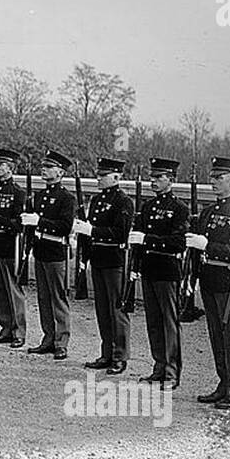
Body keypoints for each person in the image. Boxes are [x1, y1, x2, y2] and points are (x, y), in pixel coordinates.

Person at [191, 155, 230, 409]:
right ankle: (223, 383)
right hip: (210, 278)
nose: (213, 181)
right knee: (216, 336)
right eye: (213, 177)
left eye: (219, 177)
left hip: (229, 281)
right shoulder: (208, 212)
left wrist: (209, 245)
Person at [135, 157, 191, 388]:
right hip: (150, 268)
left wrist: (149, 239)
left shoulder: (179, 209)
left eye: (159, 177)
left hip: (167, 270)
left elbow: (179, 242)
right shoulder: (148, 207)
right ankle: (158, 366)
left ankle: (171, 372)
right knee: (154, 322)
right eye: (152, 177)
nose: (154, 181)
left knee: (169, 322)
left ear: (172, 180)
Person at [77, 157, 134, 374]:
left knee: (116, 310)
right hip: (98, 258)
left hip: (113, 260)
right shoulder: (97, 200)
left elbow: (120, 233)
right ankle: (107, 352)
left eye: (103, 175)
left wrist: (92, 231)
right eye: (98, 175)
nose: (98, 178)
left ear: (116, 177)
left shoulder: (123, 202)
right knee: (102, 309)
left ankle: (120, 355)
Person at [26, 149, 76, 359]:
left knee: (58, 297)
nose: (44, 170)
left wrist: (40, 222)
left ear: (60, 172)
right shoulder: (40, 195)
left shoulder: (66, 198)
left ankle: (61, 341)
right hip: (41, 249)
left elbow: (65, 227)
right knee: (43, 297)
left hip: (56, 251)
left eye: (49, 167)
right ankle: (48, 338)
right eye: (43, 167)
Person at [0, 147, 27, 348]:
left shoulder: (18, 193)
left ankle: (19, 331)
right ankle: (6, 328)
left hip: (10, 244)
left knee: (13, 290)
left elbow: (18, 224)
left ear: (10, 168)